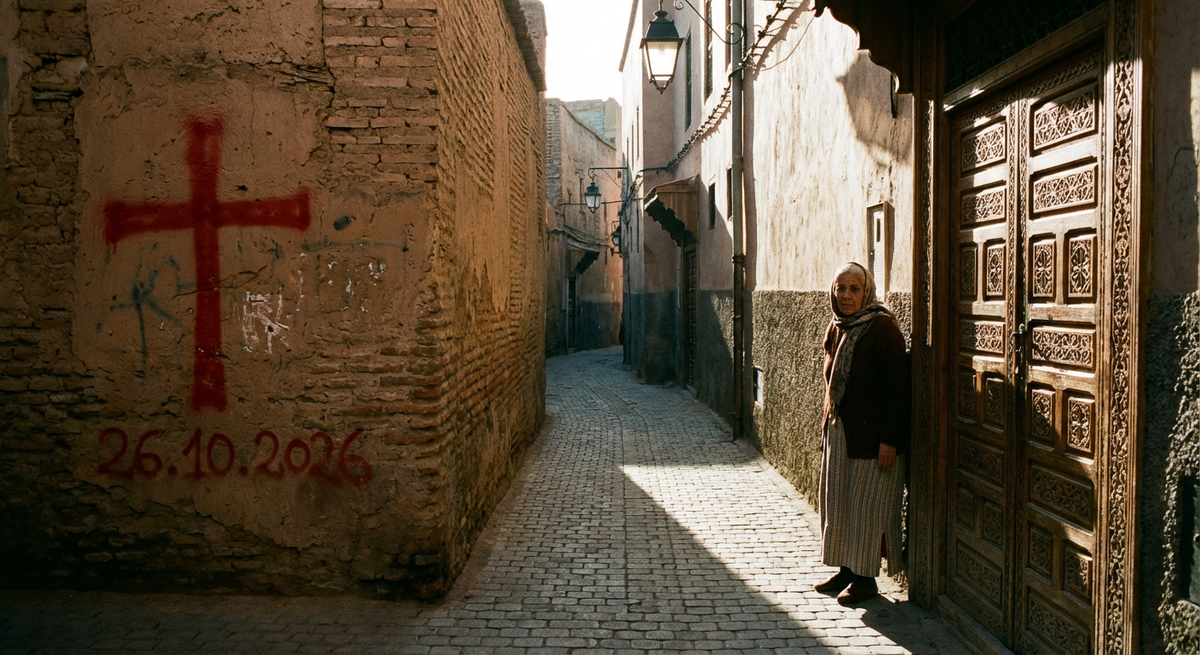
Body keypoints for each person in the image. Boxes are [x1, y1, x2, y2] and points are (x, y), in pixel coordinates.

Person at [814, 262, 910, 605]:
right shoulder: (838, 327)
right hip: (842, 432)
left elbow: (899, 389)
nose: (846, 295)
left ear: (866, 290)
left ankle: (866, 579)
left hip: (873, 440)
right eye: (841, 288)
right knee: (839, 503)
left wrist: (890, 440)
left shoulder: (882, 329)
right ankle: (847, 569)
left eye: (854, 289)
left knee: (867, 507)